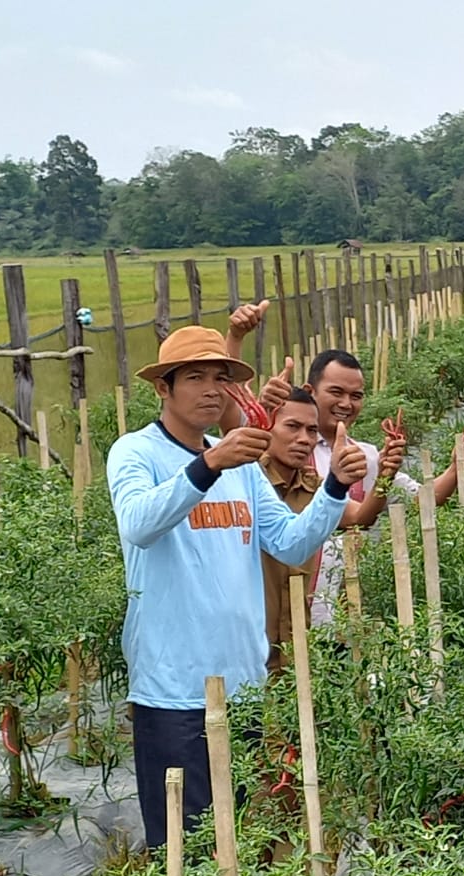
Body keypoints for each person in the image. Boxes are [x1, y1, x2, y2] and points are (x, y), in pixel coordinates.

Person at [106, 324, 367, 849]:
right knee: (187, 848)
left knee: (240, 840)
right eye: (195, 378)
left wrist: (335, 486)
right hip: (174, 690)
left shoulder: (242, 469)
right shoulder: (135, 453)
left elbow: (290, 543)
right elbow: (138, 524)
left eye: (220, 378)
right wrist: (207, 465)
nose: (211, 390)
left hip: (244, 684)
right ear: (163, 387)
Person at [302, 349, 464, 622]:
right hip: (296, 612)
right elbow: (351, 517)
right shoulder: (293, 453)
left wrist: (456, 469)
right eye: (336, 392)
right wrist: (383, 478)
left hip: (352, 614)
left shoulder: (366, 455)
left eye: (356, 396)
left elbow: (421, 500)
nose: (346, 403)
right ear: (310, 392)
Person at [257, 386, 324, 674]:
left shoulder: (314, 488)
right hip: (250, 651)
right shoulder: (243, 481)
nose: (304, 439)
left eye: (312, 431)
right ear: (266, 426)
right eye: (292, 427)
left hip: (295, 648)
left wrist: (384, 476)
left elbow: (361, 516)